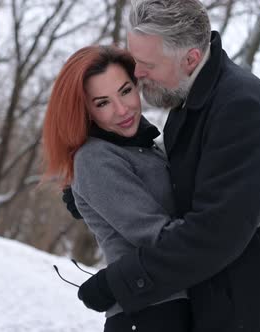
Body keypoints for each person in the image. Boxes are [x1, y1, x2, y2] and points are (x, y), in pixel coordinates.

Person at [69, 1, 260, 331]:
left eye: (147, 64)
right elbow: (189, 194)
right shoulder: (189, 101)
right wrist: (93, 193)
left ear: (190, 59)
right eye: (135, 61)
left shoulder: (240, 107)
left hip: (244, 312)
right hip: (207, 303)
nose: (137, 74)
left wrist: (120, 281)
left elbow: (215, 234)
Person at [42, 45, 192, 332]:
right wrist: (242, 215)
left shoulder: (147, 148)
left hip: (173, 307)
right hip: (149, 314)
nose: (122, 110)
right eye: (102, 103)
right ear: (85, 111)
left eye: (125, 91)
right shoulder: (95, 159)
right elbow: (161, 239)